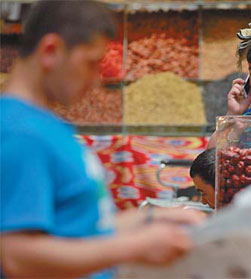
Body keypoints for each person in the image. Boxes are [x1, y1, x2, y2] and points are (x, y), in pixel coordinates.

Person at [0, 1, 204, 278]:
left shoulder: (46, 126)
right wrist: (135, 246)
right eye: (91, 63)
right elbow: (16, 255)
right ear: (51, 51)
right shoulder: (20, 132)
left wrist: (152, 218)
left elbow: (80, 229)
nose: (96, 81)